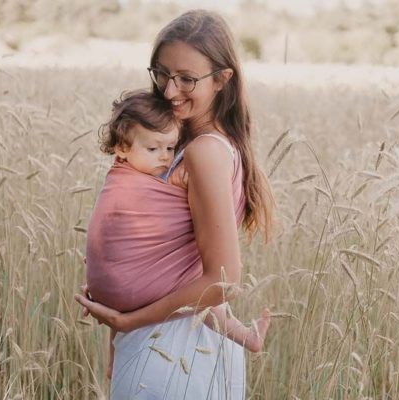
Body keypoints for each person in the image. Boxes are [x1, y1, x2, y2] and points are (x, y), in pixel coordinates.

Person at [75, 9, 274, 399]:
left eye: (186, 78)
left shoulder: (204, 152)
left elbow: (223, 280)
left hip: (173, 351)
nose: (168, 90)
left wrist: (128, 319)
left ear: (222, 80)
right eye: (161, 73)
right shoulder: (178, 143)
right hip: (174, 345)